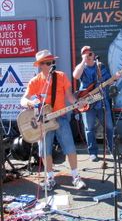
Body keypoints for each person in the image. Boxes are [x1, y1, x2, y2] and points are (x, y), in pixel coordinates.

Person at [20, 49, 86, 191]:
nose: (52, 64)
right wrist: (32, 103)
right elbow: (23, 100)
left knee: (70, 147)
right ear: (41, 65)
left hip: (60, 117)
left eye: (52, 62)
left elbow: (69, 96)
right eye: (49, 62)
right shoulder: (35, 81)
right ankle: (50, 177)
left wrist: (78, 103)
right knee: (45, 151)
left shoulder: (61, 76)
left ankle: (75, 176)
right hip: (43, 121)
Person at [73, 46, 121, 162]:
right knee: (89, 128)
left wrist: (115, 78)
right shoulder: (81, 67)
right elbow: (76, 76)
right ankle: (93, 153)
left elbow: (109, 81)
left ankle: (113, 151)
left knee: (109, 127)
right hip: (87, 102)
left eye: (90, 54)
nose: (88, 56)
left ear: (94, 55)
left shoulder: (101, 66)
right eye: (85, 54)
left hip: (101, 100)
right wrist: (83, 61)